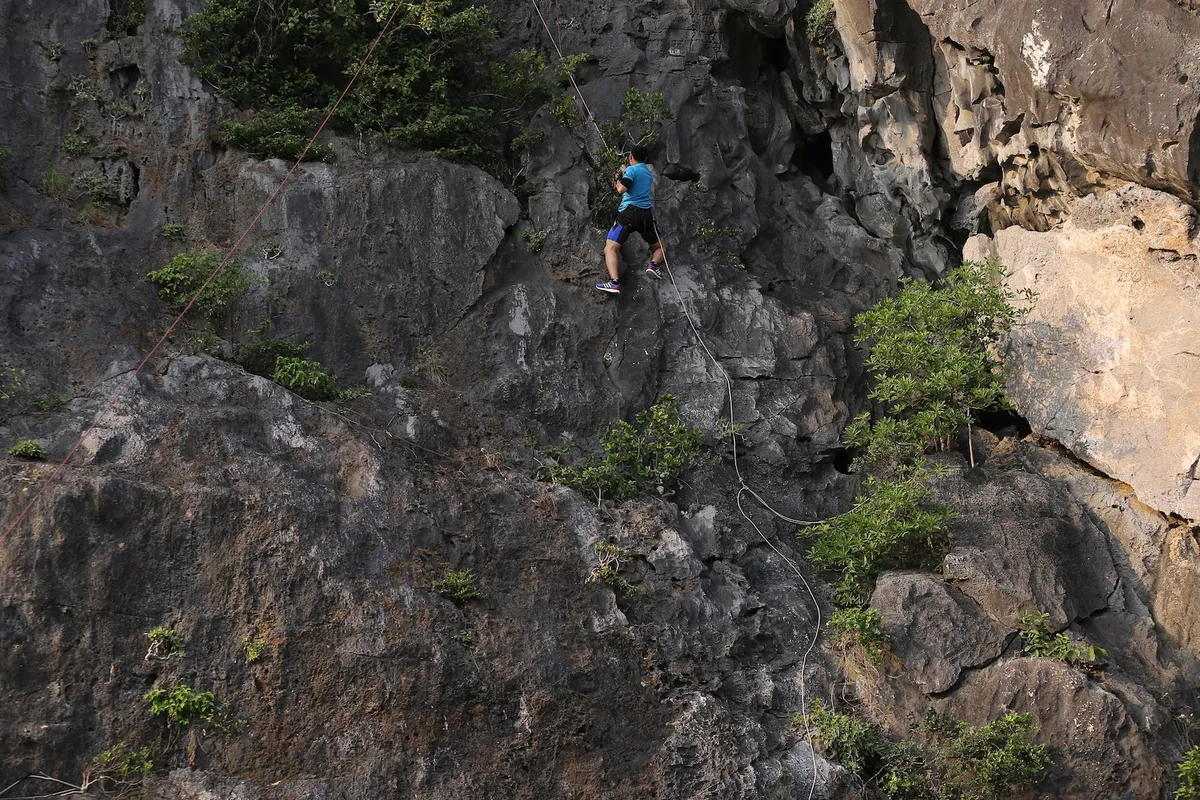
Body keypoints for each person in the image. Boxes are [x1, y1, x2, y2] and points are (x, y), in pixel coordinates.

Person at [595, 144, 665, 294]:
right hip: (646, 215)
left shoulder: (631, 170)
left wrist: (617, 178)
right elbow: (634, 177)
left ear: (631, 156)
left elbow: (622, 189)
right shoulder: (647, 172)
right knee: (660, 247)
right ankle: (652, 266)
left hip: (629, 214)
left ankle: (614, 283)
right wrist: (624, 171)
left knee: (610, 248)